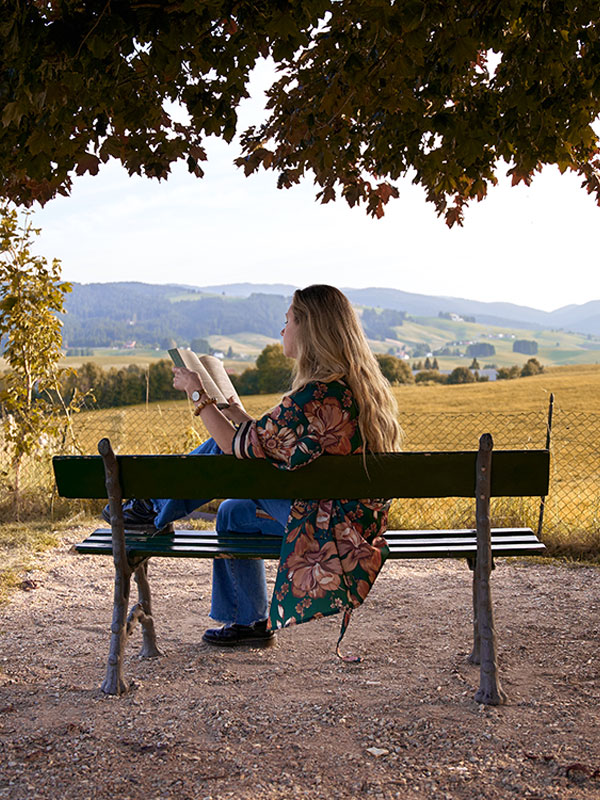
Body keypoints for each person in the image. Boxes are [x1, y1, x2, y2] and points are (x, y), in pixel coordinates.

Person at [105, 286, 402, 653]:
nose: (282, 330)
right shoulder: (351, 389)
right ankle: (249, 622)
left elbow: (235, 447)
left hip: (330, 538)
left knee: (220, 448)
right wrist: (230, 410)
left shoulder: (314, 397)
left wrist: (197, 393)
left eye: (288, 320)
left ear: (309, 329)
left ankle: (150, 507)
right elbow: (269, 441)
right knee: (233, 512)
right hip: (352, 527)